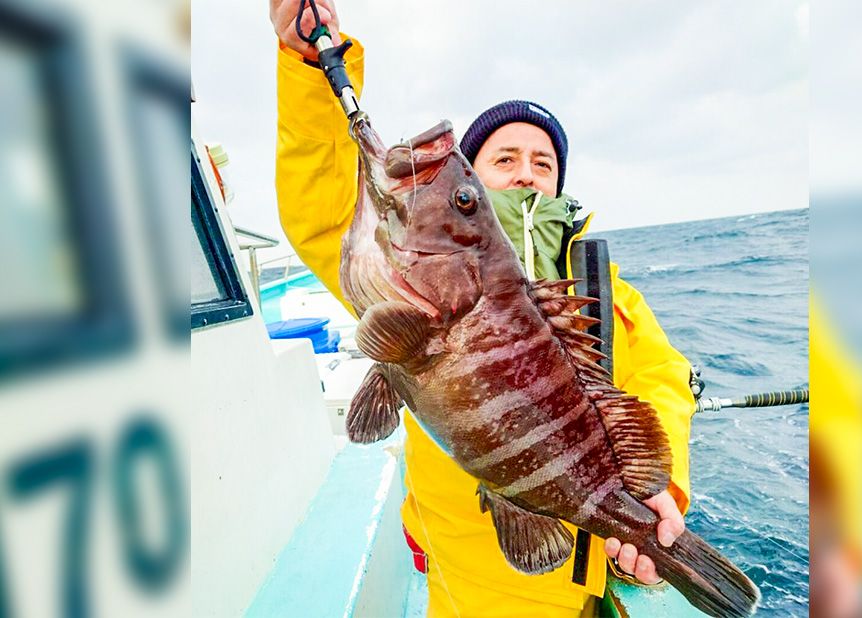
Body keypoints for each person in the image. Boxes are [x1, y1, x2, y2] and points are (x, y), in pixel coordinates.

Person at [270, 1, 696, 614]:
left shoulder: (606, 289)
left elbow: (661, 380)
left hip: (592, 584)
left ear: (558, 183)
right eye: (502, 160)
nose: (526, 172)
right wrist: (312, 73)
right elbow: (323, 214)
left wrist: (660, 487)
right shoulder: (400, 280)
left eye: (542, 162)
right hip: (467, 592)